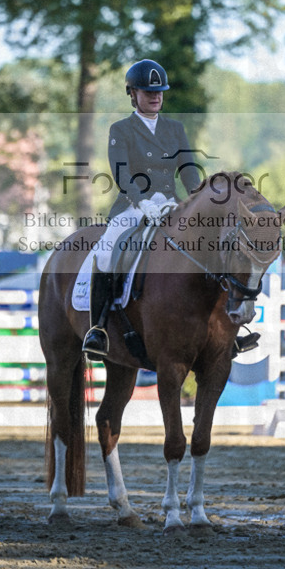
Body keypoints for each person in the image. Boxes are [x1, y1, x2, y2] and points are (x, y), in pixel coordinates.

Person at [82, 59, 201, 357]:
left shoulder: (175, 129)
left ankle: (219, 326)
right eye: (148, 91)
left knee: (205, 245)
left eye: (159, 91)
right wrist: (142, 201)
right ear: (133, 94)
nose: (156, 96)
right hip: (134, 206)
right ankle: (98, 329)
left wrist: (197, 201)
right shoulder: (121, 129)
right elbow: (121, 172)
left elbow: (189, 171)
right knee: (106, 251)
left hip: (171, 204)